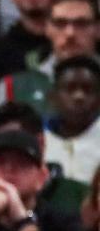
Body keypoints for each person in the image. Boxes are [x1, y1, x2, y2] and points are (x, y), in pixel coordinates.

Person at [0, 0, 100, 132]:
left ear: (97, 28)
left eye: (81, 24)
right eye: (60, 23)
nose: (70, 33)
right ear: (47, 28)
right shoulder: (10, 89)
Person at [44, 55, 100, 188]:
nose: (79, 96)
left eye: (87, 90)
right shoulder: (38, 140)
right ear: (53, 98)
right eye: (70, 89)